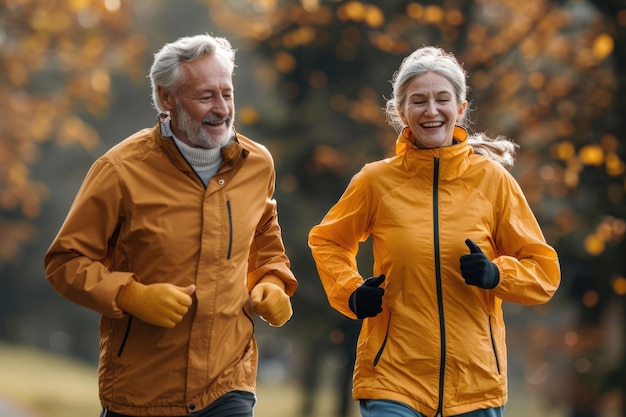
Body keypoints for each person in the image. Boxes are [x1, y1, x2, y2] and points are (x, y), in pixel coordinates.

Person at [44, 34, 297, 417]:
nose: (222, 109)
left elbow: (264, 242)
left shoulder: (257, 164)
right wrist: (130, 296)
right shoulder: (119, 170)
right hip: (142, 390)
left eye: (226, 94)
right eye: (205, 96)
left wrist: (274, 282)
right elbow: (65, 262)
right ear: (167, 98)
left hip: (228, 384)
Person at [308, 46, 561, 417]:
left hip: (475, 383)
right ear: (401, 112)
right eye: (418, 101)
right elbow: (328, 240)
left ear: (460, 109)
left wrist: (496, 274)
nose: (431, 110)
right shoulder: (375, 181)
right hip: (392, 377)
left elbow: (543, 272)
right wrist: (350, 292)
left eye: (442, 99)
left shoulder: (494, 182)